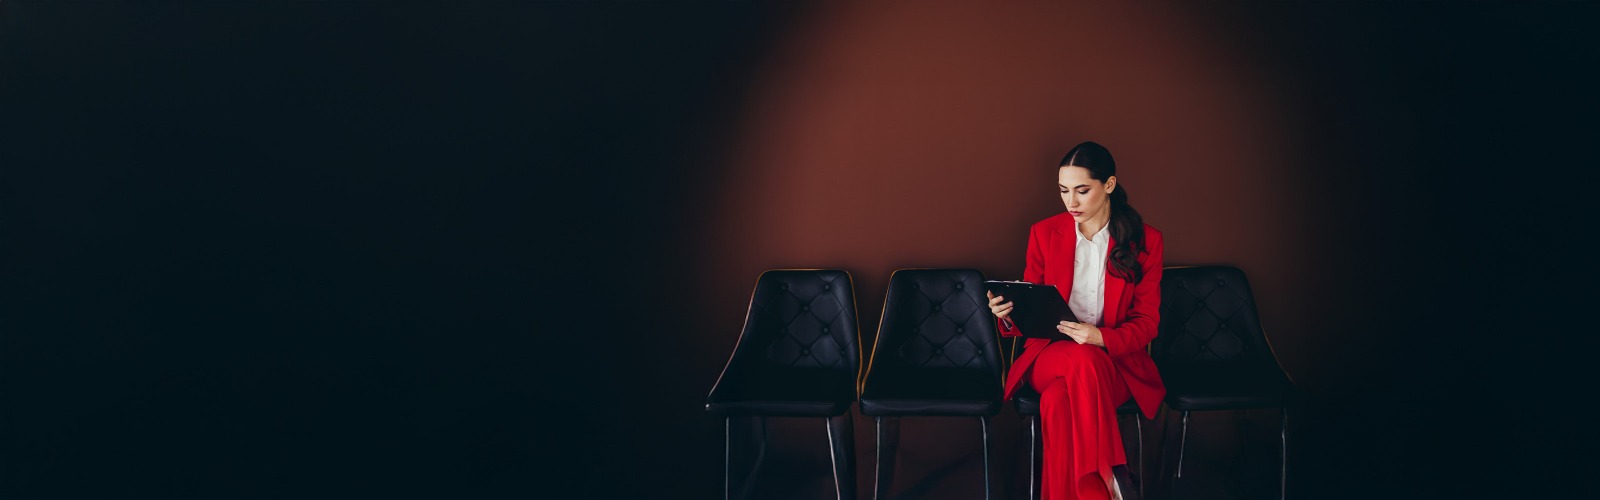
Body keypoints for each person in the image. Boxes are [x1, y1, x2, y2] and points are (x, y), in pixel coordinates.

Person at [986, 141, 1165, 500]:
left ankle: (1091, 491)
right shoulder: (1044, 232)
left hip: (1114, 362)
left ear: (1109, 185)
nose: (1071, 202)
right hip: (1050, 356)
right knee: (1079, 360)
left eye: (1082, 190)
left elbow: (1147, 323)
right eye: (1064, 191)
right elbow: (1031, 309)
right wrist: (1007, 315)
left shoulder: (1146, 241)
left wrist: (1098, 336)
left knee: (1057, 402)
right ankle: (1113, 473)